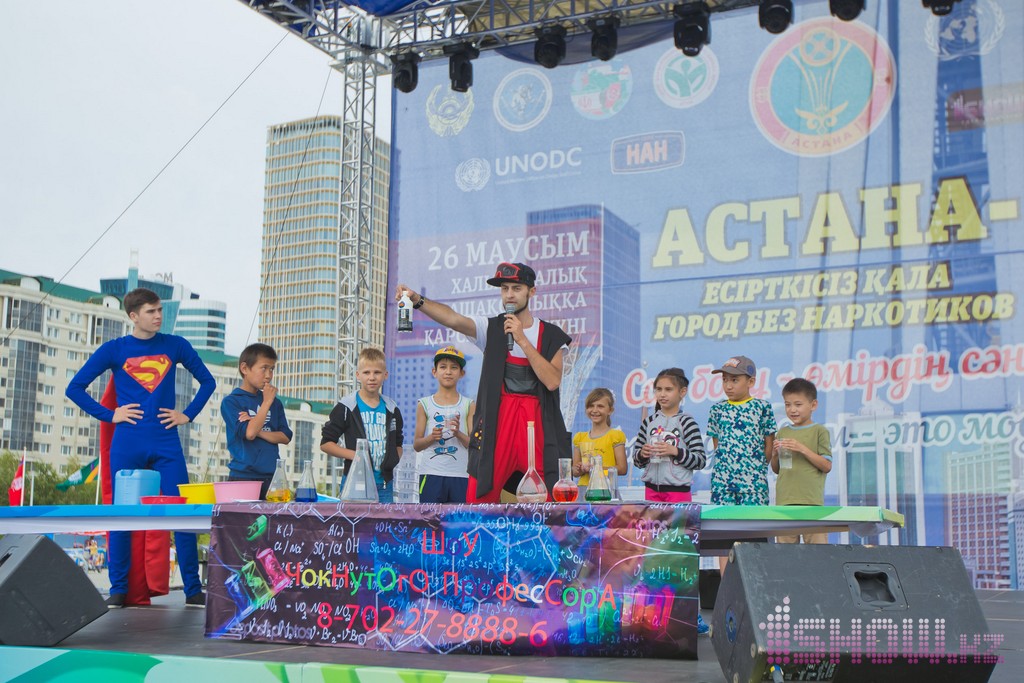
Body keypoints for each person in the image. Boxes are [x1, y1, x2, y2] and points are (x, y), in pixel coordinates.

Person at [66, 287, 214, 607]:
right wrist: (111, 415)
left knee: (182, 514)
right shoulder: (115, 349)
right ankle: (118, 588)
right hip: (127, 443)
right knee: (122, 515)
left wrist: (187, 414)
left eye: (160, 310)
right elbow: (74, 388)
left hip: (166, 442)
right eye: (151, 311)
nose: (158, 316)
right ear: (133, 316)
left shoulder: (175, 345)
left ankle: (192, 589)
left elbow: (208, 381)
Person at [396, 262, 571, 502]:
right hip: (498, 423)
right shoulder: (491, 327)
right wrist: (418, 300)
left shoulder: (551, 335)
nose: (509, 294)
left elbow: (552, 381)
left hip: (537, 425)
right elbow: (453, 319)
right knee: (480, 494)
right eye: (504, 288)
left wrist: (521, 339)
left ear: (532, 291)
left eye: (516, 288)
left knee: (548, 498)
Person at [706, 355, 777, 575]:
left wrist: (755, 469)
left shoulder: (762, 407)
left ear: (751, 381)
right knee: (723, 538)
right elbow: (717, 444)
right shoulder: (717, 410)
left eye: (735, 380)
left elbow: (769, 444)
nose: (728, 385)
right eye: (725, 380)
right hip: (723, 485)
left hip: (753, 486)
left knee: (754, 537)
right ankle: (725, 586)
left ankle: (756, 585)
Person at [320, 347, 404, 503]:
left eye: (377, 372)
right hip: (354, 483)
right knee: (352, 520)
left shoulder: (392, 408)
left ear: (385, 375)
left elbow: (398, 443)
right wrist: (356, 456)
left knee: (384, 520)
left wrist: (392, 460)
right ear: (358, 375)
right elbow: (326, 444)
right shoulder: (347, 406)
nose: (372, 377)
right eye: (366, 372)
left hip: (385, 485)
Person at [221, 343, 293, 499]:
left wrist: (257, 429)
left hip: (272, 476)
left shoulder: (275, 403)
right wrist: (266, 403)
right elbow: (250, 434)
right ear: (244, 368)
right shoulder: (232, 402)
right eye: (264, 368)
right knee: (241, 516)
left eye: (272, 369)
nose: (268, 375)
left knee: (275, 515)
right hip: (243, 476)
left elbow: (285, 436)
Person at [770, 378, 832, 544]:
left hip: (811, 502)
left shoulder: (820, 431)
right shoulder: (782, 432)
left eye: (798, 404)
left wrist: (802, 448)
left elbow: (826, 465)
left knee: (817, 550)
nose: (792, 410)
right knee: (786, 552)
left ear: (813, 405)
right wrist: (774, 455)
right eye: (787, 405)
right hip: (785, 502)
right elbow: (778, 469)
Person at [631, 369, 706, 503]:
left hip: (678, 492)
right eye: (658, 389)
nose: (662, 394)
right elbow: (637, 461)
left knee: (678, 519)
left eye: (668, 389)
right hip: (651, 491)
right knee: (652, 519)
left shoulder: (687, 422)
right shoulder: (648, 422)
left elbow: (700, 460)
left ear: (682, 392)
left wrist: (675, 451)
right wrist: (642, 454)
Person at [413, 346, 475, 503]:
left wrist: (458, 433)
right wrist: (432, 437)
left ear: (462, 373)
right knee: (430, 518)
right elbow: (417, 445)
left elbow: (474, 445)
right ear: (434, 372)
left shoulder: (469, 404)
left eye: (454, 367)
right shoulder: (424, 404)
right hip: (431, 474)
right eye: (443, 367)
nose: (448, 372)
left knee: (459, 519)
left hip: (461, 475)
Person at [572, 388, 627, 498]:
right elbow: (574, 472)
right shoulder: (580, 437)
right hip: (583, 490)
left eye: (600, 406)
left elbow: (622, 469)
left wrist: (596, 470)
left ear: (610, 410)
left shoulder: (615, 436)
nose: (595, 410)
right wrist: (579, 468)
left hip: (606, 489)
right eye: (591, 406)